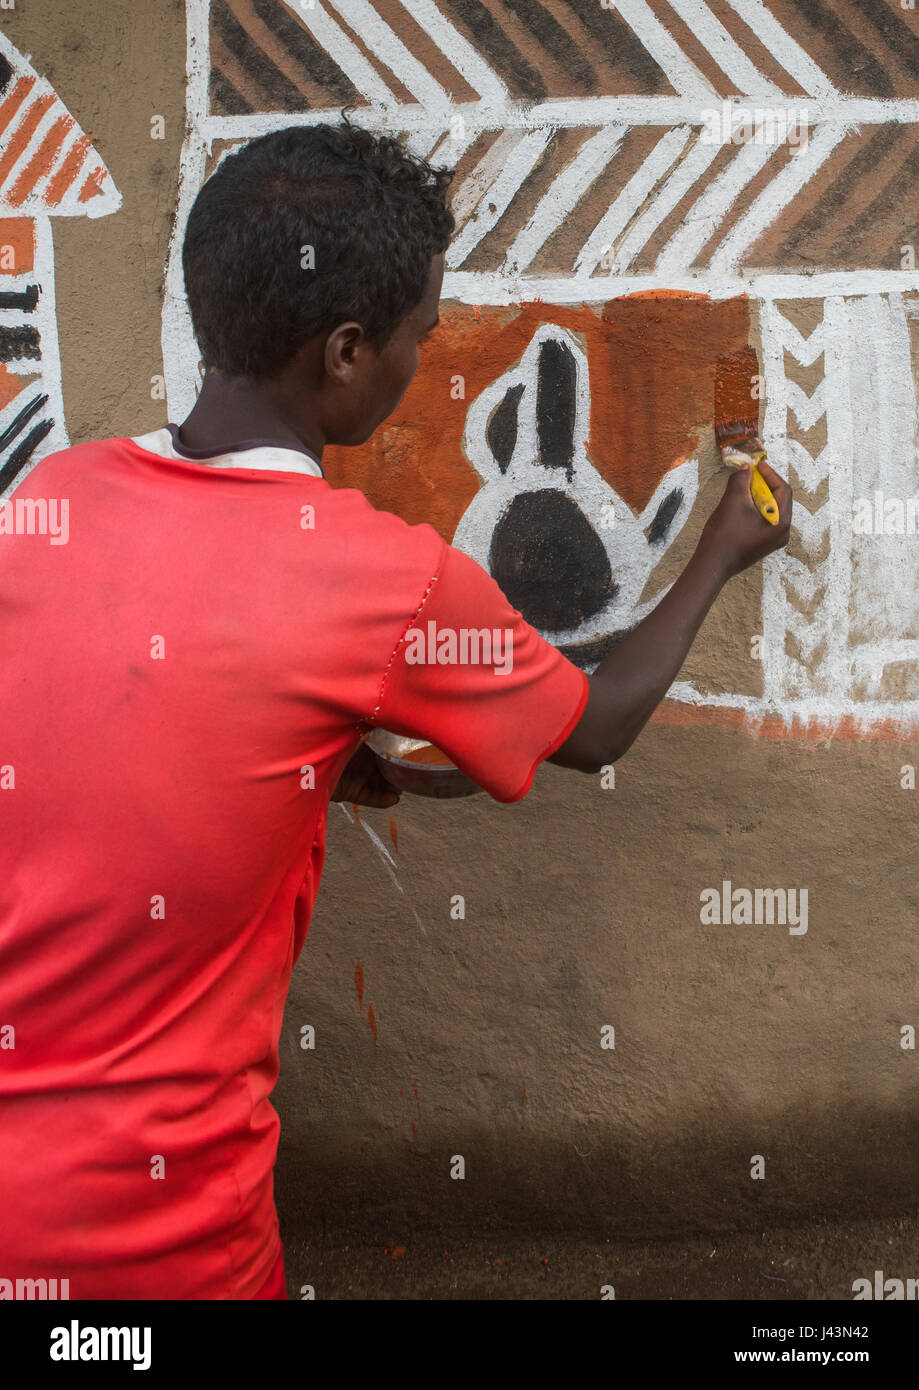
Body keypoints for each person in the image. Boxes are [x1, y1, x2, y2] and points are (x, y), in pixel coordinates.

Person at [0, 120, 791, 1301]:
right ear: (349, 353)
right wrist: (723, 549)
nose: (430, 357)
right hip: (150, 1246)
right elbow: (596, 724)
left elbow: (109, 727)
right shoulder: (386, 582)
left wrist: (314, 760)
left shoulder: (53, 496)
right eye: (423, 334)